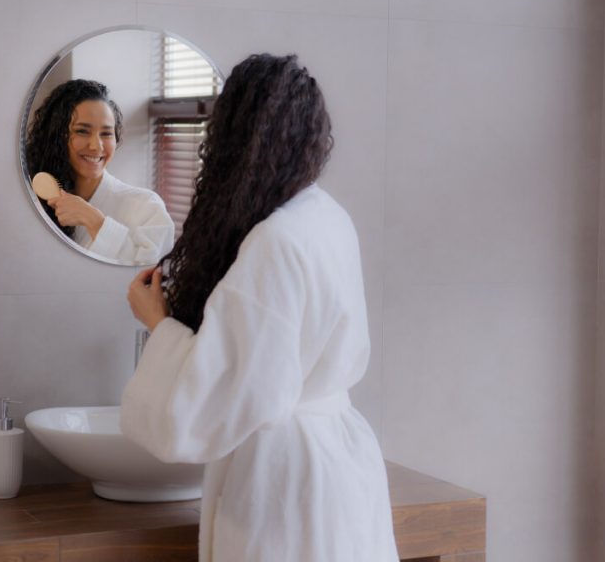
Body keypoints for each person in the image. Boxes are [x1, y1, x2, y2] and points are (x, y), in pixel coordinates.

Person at [123, 54, 399, 561]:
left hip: (286, 480)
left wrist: (157, 322)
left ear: (234, 137)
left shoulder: (274, 242)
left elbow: (212, 405)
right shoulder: (326, 216)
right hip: (342, 468)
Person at [24, 79, 174, 265]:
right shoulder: (29, 204)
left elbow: (150, 279)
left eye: (106, 133)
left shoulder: (146, 207)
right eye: (82, 131)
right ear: (56, 137)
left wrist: (95, 221)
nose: (96, 146)